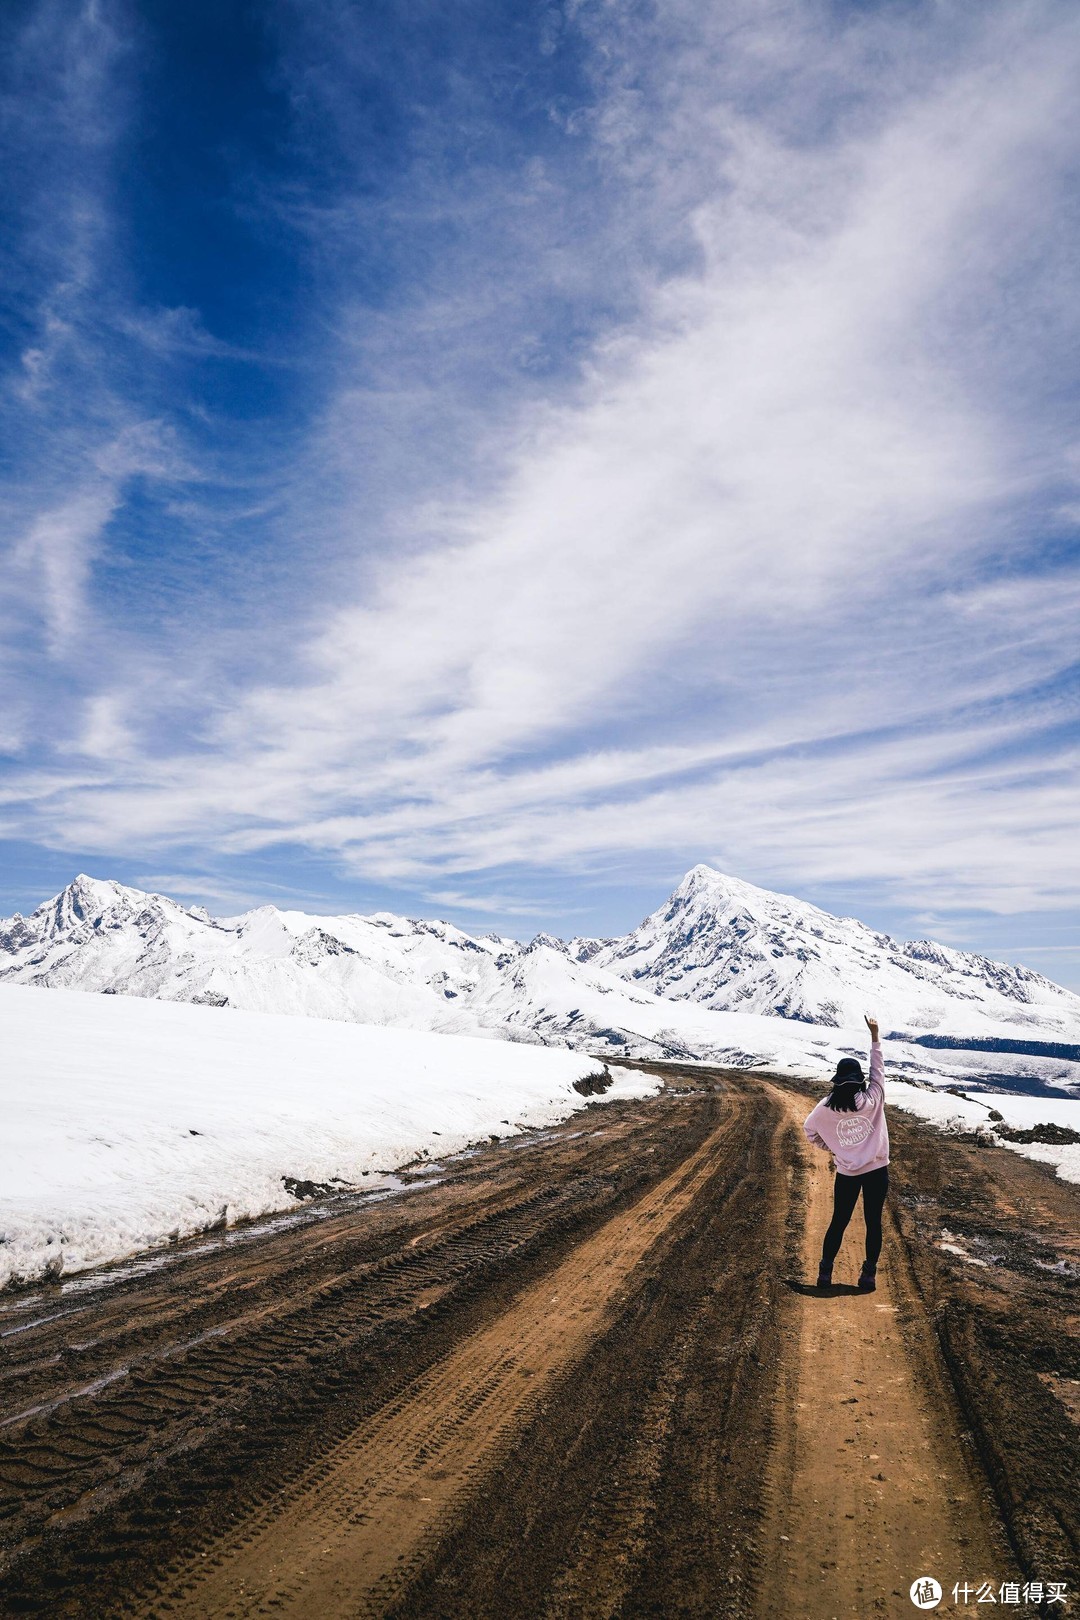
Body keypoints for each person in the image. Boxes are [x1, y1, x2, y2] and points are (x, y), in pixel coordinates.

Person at [802, 1014, 889, 1293]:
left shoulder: (826, 1107)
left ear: (837, 1081)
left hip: (847, 1173)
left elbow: (809, 1130)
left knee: (839, 1221)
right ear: (859, 1081)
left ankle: (825, 1273)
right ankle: (868, 1276)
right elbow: (878, 1069)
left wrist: (834, 1148)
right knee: (873, 1223)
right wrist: (875, 1035)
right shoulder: (873, 1099)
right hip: (877, 1171)